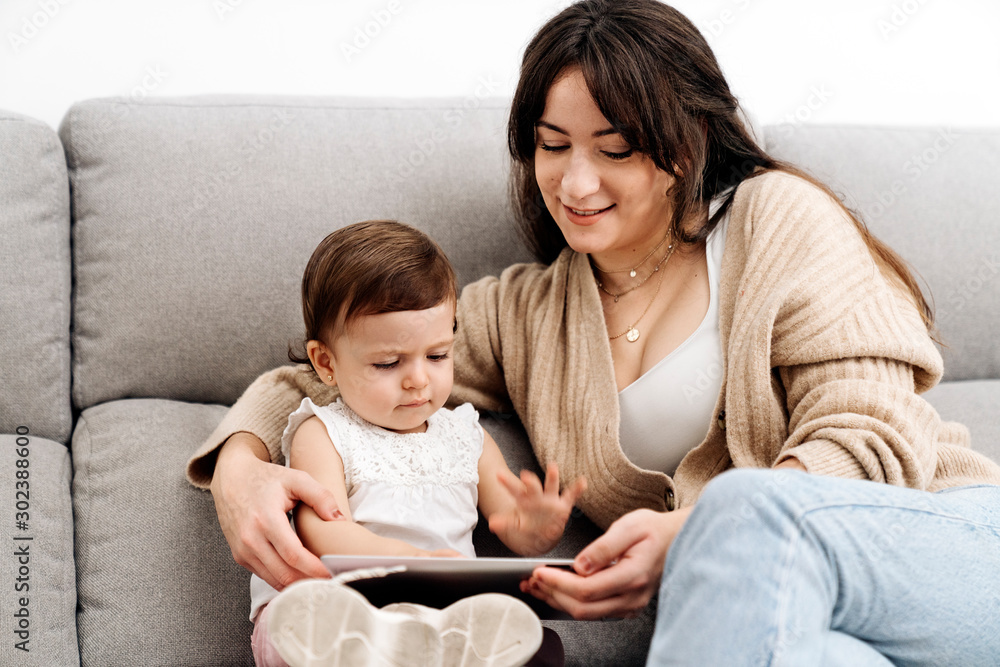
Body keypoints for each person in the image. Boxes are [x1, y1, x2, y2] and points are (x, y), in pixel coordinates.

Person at [186, 1, 1000, 664]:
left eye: (615, 149)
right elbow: (334, 372)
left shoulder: (774, 218)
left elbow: (867, 434)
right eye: (551, 146)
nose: (574, 183)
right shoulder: (528, 313)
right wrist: (240, 469)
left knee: (747, 510)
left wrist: (689, 534)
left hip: (940, 549)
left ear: (686, 145)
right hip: (780, 619)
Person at [248, 220, 586, 666]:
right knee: (304, 618)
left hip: (438, 616)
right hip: (348, 604)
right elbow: (322, 532)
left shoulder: (467, 436)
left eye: (438, 355)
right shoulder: (324, 432)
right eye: (388, 363)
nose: (418, 380)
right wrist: (414, 563)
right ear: (326, 363)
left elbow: (509, 520)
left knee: (533, 641)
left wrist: (536, 529)